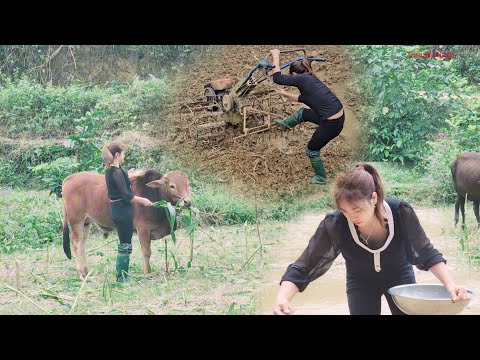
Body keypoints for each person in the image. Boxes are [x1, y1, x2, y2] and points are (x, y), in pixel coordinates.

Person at [273, 163, 471, 315]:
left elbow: (426, 252)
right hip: (360, 282)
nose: (352, 216)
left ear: (374, 198)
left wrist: (450, 286)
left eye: (357, 209)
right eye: (345, 210)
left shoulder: (400, 212)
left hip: (400, 278)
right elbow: (304, 265)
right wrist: (283, 298)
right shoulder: (336, 224)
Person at [270, 48, 345, 185]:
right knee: (303, 113)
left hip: (331, 124)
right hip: (334, 116)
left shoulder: (301, 79)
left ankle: (321, 178)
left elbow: (277, 78)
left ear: (294, 74)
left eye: (292, 76)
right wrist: (284, 94)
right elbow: (302, 99)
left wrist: (276, 56)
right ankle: (285, 124)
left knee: (312, 150)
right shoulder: (310, 80)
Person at [102, 142, 153, 282]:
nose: (124, 156)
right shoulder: (115, 172)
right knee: (125, 243)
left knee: (126, 242)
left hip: (122, 209)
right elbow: (126, 194)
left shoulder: (115, 170)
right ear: (117, 155)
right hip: (121, 210)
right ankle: (121, 277)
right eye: (123, 153)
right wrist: (143, 200)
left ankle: (123, 274)